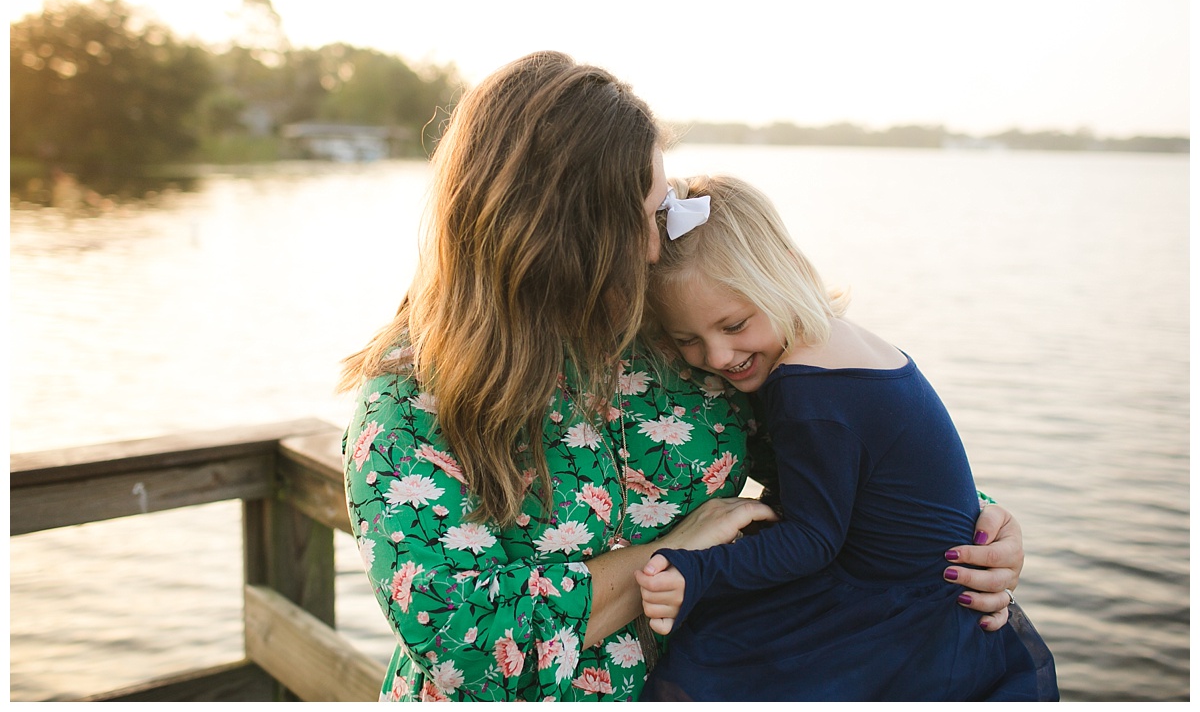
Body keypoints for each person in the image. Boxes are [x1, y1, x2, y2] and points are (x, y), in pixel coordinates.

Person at [339, 51, 1027, 702]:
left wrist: (970, 518)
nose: (653, 248)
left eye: (660, 211)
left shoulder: (672, 342)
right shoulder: (407, 404)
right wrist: (672, 552)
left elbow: (839, 447)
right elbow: (469, 653)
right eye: (637, 221)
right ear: (558, 233)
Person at [635, 174, 1059, 701]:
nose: (718, 357)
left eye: (735, 324)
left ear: (783, 270)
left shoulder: (805, 386)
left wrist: (696, 570)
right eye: (687, 341)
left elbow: (814, 540)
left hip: (895, 619)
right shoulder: (842, 341)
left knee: (708, 669)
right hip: (928, 598)